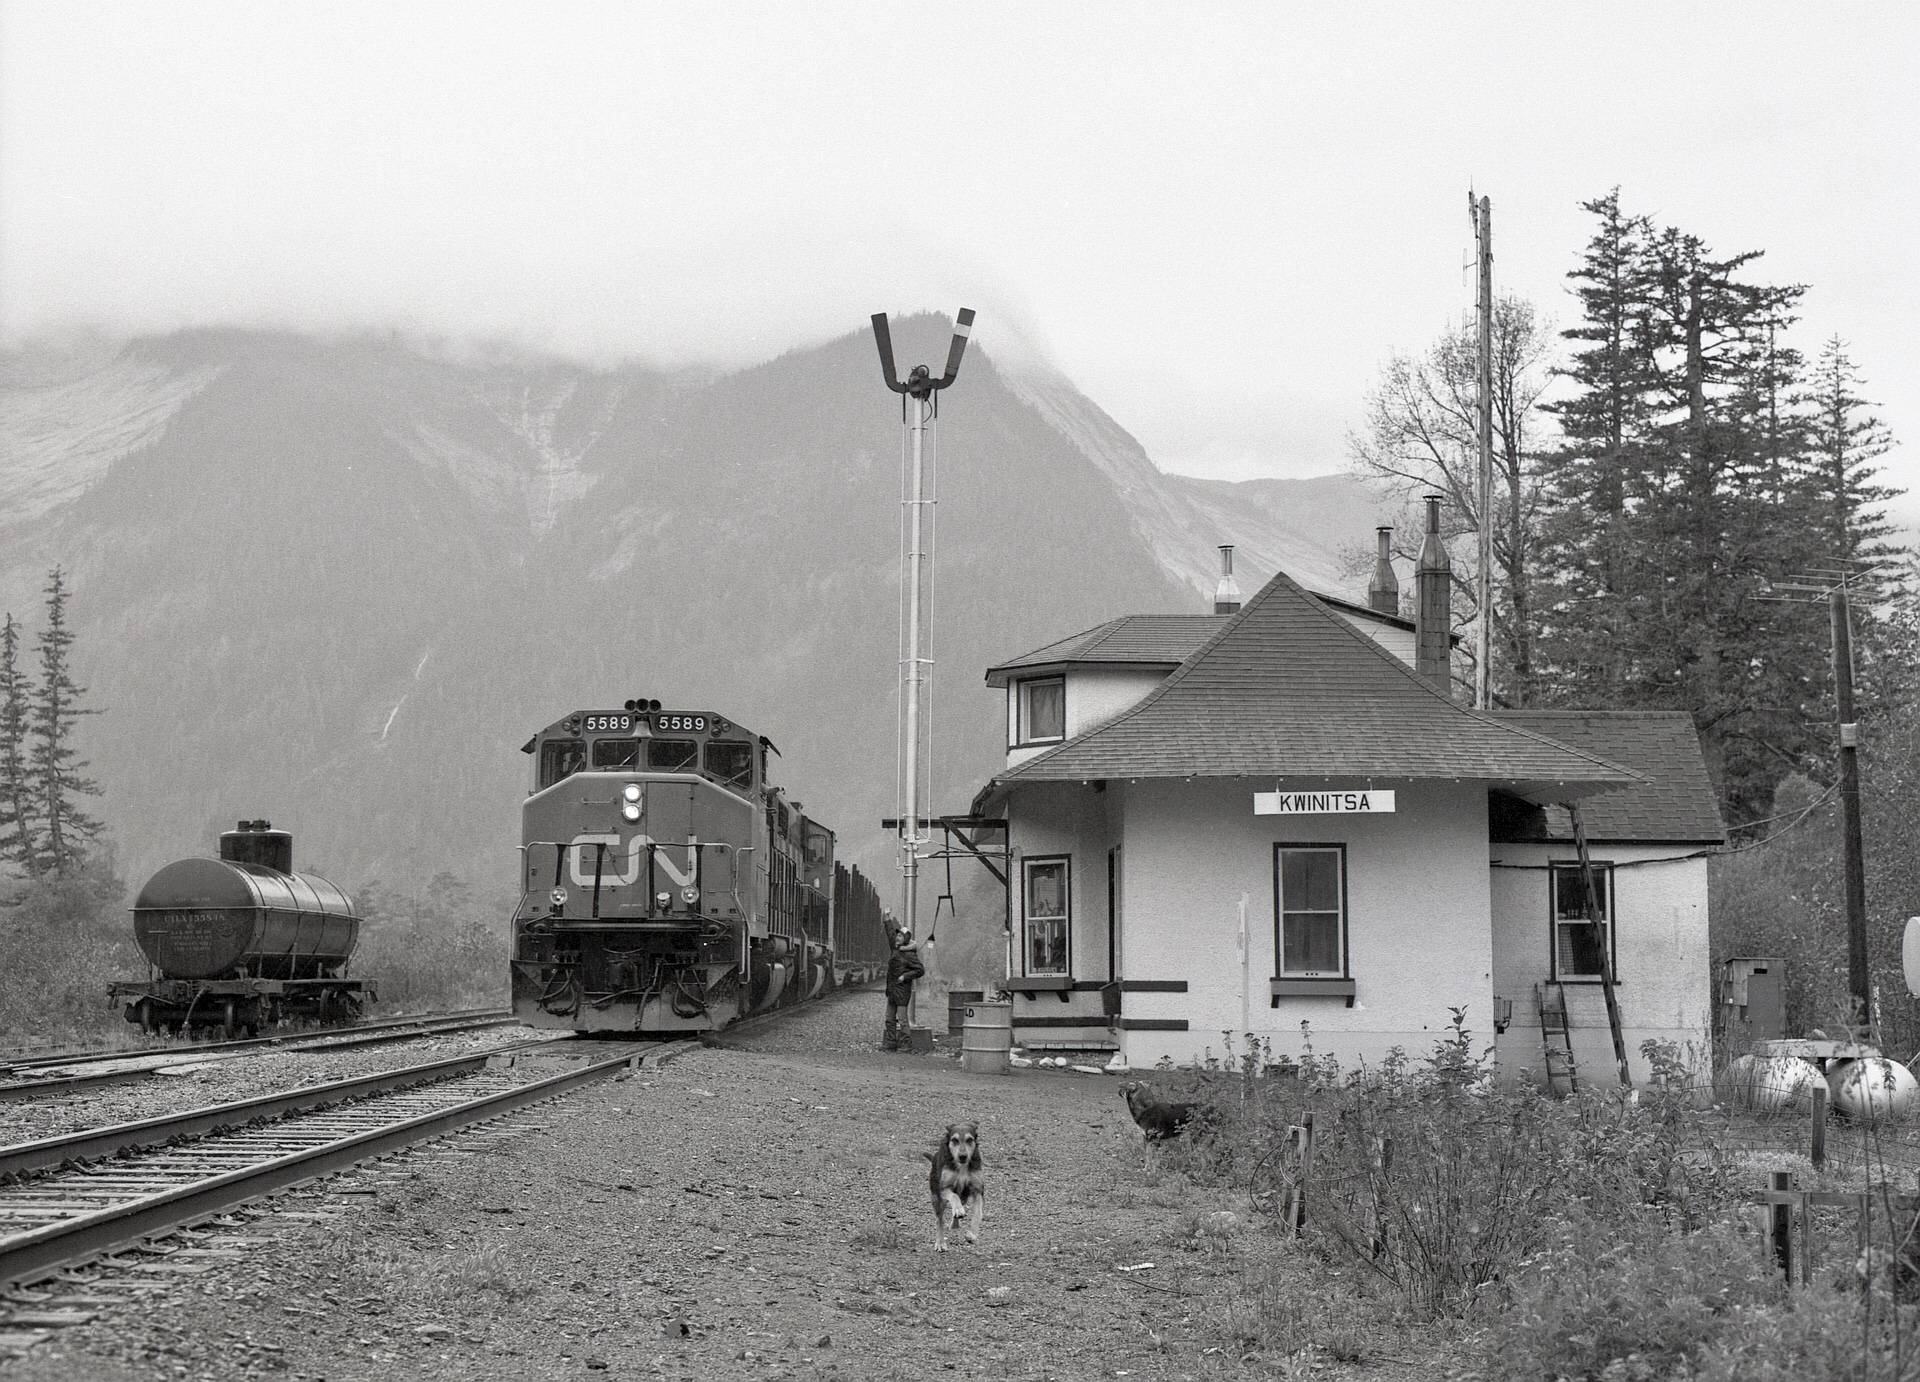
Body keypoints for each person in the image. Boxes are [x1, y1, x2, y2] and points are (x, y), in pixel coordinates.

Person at [883, 926, 925, 1051]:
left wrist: (905, 976)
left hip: (902, 991)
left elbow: (920, 970)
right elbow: (890, 933)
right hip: (892, 990)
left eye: (900, 936)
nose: (897, 937)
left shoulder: (910, 955)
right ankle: (891, 1043)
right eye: (897, 936)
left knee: (902, 1019)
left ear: (905, 939)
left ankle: (906, 1044)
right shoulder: (895, 949)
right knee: (889, 1019)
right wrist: (887, 918)